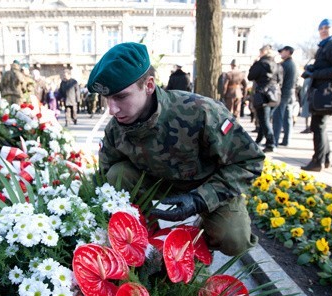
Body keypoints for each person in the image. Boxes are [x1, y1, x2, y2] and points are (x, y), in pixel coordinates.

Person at [87, 42, 265, 256]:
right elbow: (106, 177)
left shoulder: (201, 112)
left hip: (206, 183)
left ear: (149, 85)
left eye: (121, 96)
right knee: (117, 174)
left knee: (234, 238)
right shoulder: (116, 128)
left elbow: (250, 161)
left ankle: (196, 240)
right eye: (107, 98)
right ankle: (146, 243)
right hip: (158, 184)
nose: (112, 109)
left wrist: (200, 199)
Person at [301, 18, 332, 172]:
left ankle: (318, 160)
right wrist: (312, 69)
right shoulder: (325, 46)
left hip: (325, 92)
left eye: (327, 27)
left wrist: (316, 74)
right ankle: (325, 158)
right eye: (321, 28)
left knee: (318, 126)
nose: (323, 30)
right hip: (320, 91)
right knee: (319, 126)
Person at [247, 44, 283, 153]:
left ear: (263, 52)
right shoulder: (278, 65)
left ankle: (271, 143)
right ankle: (259, 140)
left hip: (263, 95)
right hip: (275, 95)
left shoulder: (260, 64)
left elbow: (250, 76)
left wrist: (254, 64)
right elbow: (280, 81)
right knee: (265, 120)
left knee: (264, 120)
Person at [273, 46, 297, 147]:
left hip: (283, 93)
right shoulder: (293, 64)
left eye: (282, 52)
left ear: (287, 52)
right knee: (287, 117)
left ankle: (275, 141)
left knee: (278, 117)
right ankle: (286, 139)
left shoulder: (285, 65)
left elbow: (279, 79)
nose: (280, 54)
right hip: (291, 93)